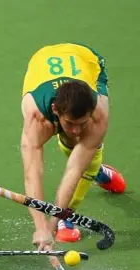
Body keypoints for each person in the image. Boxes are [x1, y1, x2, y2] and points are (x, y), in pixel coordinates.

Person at [20, 43, 125, 246]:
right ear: (55, 110)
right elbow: (32, 173)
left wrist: (53, 224)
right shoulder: (36, 118)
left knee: (85, 156)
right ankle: (97, 173)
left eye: (81, 123)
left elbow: (73, 171)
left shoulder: (98, 115)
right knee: (72, 138)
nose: (76, 130)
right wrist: (41, 227)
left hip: (86, 58)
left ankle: (68, 215)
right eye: (70, 123)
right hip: (40, 59)